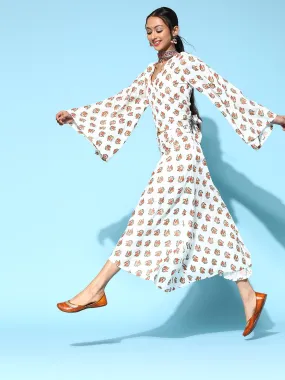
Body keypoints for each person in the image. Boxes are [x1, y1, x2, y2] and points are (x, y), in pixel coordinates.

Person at [55, 7, 285, 337]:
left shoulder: (187, 64)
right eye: (148, 31)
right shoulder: (150, 73)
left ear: (174, 31)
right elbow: (120, 104)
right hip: (173, 157)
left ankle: (96, 288)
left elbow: (224, 91)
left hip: (184, 156)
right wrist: (77, 116)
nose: (152, 36)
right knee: (215, 225)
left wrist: (272, 118)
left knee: (144, 217)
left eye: (158, 29)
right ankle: (250, 296)